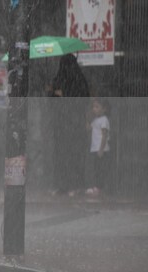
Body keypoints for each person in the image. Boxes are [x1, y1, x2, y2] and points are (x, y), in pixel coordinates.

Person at [48, 54, 90, 196]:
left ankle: (73, 184)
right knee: (65, 154)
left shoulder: (76, 80)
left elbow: (81, 98)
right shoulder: (66, 79)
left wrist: (64, 93)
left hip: (70, 123)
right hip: (65, 123)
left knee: (70, 154)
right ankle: (64, 184)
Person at [85, 98, 111, 197]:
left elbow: (104, 135)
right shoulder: (95, 120)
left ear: (104, 109)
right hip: (94, 148)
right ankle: (95, 186)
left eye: (97, 107)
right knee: (94, 168)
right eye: (93, 107)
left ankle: (100, 187)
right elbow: (88, 129)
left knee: (101, 168)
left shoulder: (104, 120)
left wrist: (101, 149)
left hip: (101, 149)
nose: (94, 109)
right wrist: (87, 119)